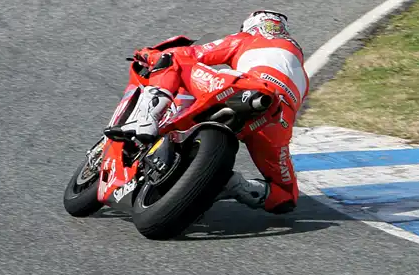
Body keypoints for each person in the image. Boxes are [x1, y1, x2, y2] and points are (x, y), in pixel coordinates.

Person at [105, 11, 308, 214]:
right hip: (276, 123)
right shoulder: (301, 74)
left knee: (173, 59)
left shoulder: (248, 39)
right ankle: (234, 184)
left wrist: (150, 55)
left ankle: (147, 118)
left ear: (253, 25)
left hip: (242, 90)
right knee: (286, 196)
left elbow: (196, 54)